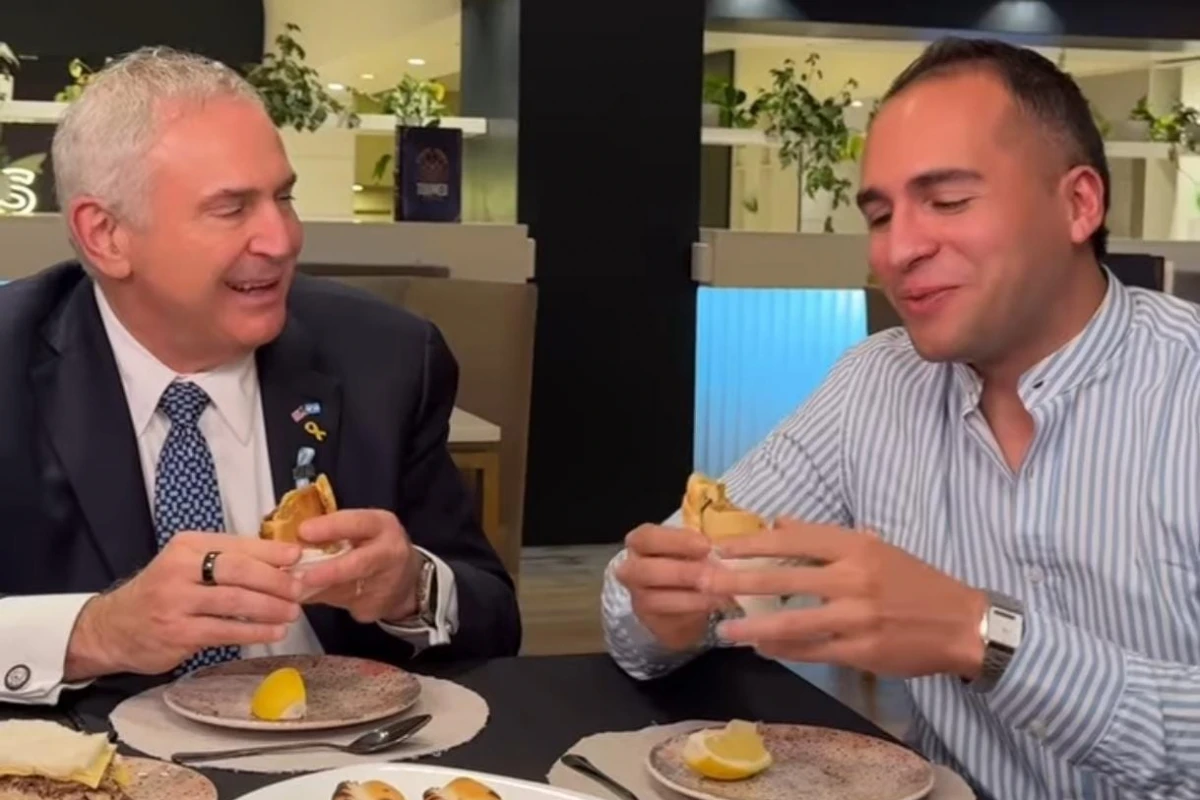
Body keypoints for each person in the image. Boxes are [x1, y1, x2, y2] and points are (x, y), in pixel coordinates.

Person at [602, 37, 1200, 800]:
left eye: (948, 201)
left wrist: (984, 636)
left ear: (1078, 203)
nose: (900, 249)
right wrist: (670, 609)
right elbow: (633, 610)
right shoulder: (875, 386)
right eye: (881, 214)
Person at [0, 46, 520, 706]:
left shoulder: (387, 360)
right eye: (231, 208)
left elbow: (496, 623)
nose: (281, 240)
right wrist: (94, 632)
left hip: (333, 758)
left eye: (283, 197)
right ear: (105, 235)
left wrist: (410, 587)